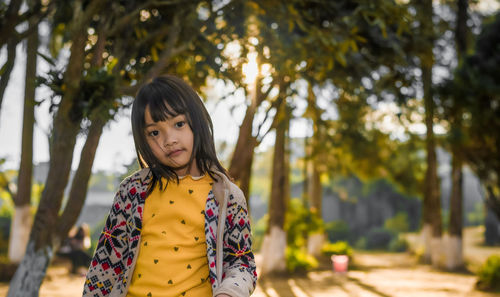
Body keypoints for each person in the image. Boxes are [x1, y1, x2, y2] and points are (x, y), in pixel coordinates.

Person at [83, 75, 257, 297]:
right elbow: (105, 265)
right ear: (143, 140)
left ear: (197, 121)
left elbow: (242, 263)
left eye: (179, 124)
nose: (169, 139)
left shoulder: (226, 197)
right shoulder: (133, 191)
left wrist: (229, 292)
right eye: (154, 132)